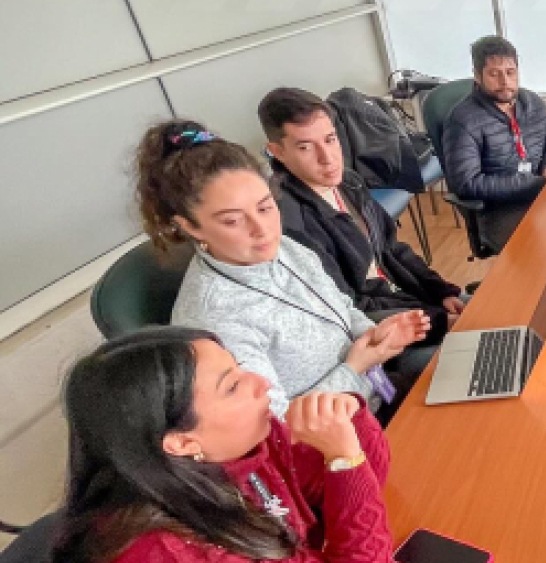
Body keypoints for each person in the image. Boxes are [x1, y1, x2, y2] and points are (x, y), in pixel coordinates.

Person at [52, 327, 393, 563]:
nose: (261, 382)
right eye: (232, 387)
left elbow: (363, 482)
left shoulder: (233, 450)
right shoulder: (178, 558)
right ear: (182, 443)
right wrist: (343, 456)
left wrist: (347, 419)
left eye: (239, 368)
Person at [135, 119, 428, 418]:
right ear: (189, 226)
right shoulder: (214, 319)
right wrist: (355, 367)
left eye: (265, 207)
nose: (262, 229)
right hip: (333, 433)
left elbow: (341, 306)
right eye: (233, 220)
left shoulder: (286, 249)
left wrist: (372, 334)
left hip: (373, 394)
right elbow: (273, 425)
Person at [258, 87, 465, 344]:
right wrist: (438, 322)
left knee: (489, 313)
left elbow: (391, 248)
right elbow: (349, 309)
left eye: (330, 139)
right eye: (305, 147)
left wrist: (440, 291)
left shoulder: (348, 181)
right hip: (381, 336)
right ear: (277, 151)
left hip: (409, 302)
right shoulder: (291, 225)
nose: (327, 158)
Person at [443, 35, 546, 253]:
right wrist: (531, 183)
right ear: (477, 76)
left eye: (510, 72)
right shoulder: (463, 120)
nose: (505, 82)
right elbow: (467, 183)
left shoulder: (532, 103)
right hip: (498, 209)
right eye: (494, 74)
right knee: (544, 251)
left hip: (542, 194)